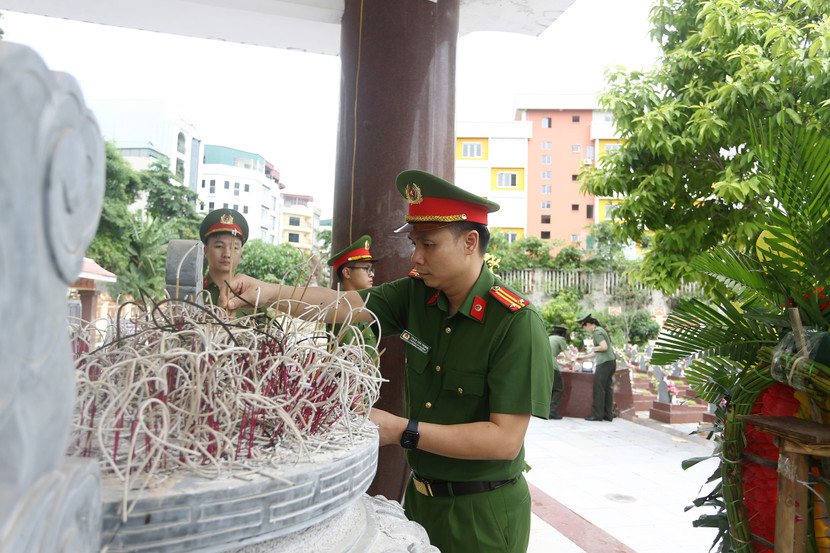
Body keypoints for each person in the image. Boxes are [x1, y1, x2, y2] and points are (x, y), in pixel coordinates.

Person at [223, 169, 554, 553]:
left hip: (483, 513)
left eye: (428, 244)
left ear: (469, 242)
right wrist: (266, 293)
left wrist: (403, 430)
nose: (416, 256)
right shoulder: (419, 294)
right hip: (418, 501)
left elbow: (505, 441)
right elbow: (344, 305)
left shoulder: (514, 322)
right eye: (415, 243)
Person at [326, 234, 379, 348]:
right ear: (347, 273)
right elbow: (351, 359)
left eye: (371, 269)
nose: (372, 274)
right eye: (366, 269)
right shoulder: (341, 309)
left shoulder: (356, 306)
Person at [199, 208, 249, 314]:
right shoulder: (194, 294)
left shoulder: (251, 298)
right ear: (206, 251)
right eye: (219, 246)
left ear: (241, 252)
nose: (226, 254)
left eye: (234, 248)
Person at [576, 314, 616, 421]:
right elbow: (598, 352)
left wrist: (594, 347)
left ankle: (597, 415)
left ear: (588, 324)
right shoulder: (600, 330)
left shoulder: (597, 332)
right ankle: (608, 415)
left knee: (598, 388)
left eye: (584, 327)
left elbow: (603, 347)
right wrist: (583, 357)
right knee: (607, 388)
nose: (585, 329)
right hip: (610, 361)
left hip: (604, 363)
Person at [547, 325, 572, 420]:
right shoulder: (561, 339)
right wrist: (574, 359)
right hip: (551, 367)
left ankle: (543, 411)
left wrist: (563, 365)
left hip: (541, 366)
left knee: (548, 389)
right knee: (558, 389)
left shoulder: (548, 338)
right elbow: (568, 356)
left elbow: (550, 355)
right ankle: (552, 412)